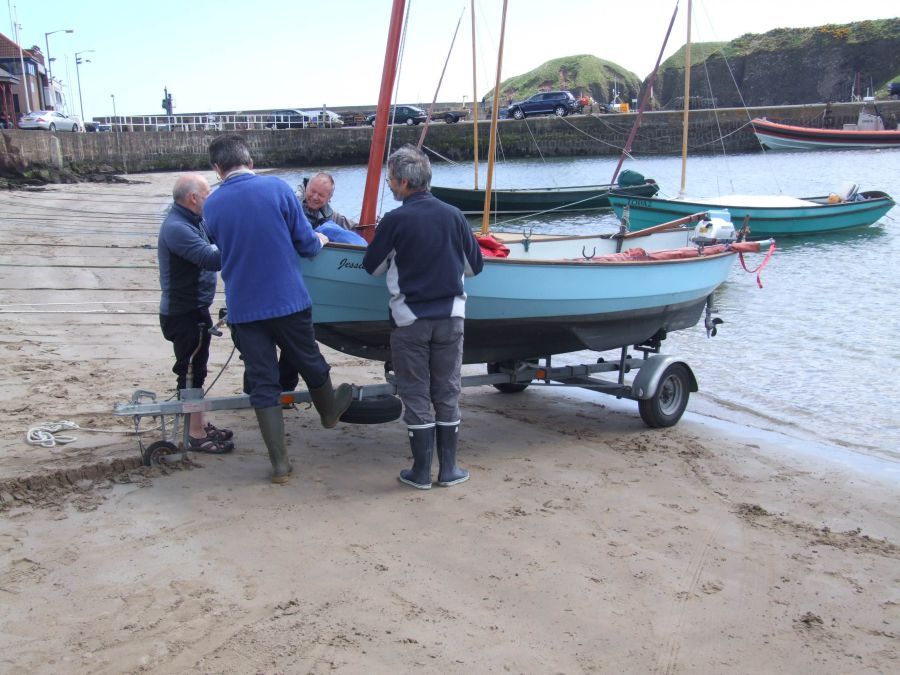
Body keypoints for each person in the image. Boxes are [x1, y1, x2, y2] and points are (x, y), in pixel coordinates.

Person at [203, 134, 352, 484]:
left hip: (244, 305)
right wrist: (322, 239)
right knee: (309, 358)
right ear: (250, 161)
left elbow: (220, 246)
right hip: (287, 299)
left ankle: (280, 463)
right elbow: (306, 244)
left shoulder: (211, 205)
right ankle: (329, 411)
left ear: (218, 168)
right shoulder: (278, 189)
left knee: (262, 380)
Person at [362, 145, 484, 490]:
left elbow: (373, 267)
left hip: (410, 320)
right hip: (451, 318)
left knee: (416, 392)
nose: (389, 184)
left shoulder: (395, 220)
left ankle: (420, 473)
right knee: (447, 389)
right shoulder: (454, 215)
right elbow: (474, 267)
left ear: (404, 182)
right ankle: (449, 469)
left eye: (390, 179)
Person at [157, 173, 233, 454]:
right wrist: (245, 244)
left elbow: (216, 234)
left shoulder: (195, 220)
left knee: (197, 368)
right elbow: (210, 258)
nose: (211, 199)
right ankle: (194, 433)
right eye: (208, 194)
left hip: (196, 309)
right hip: (183, 313)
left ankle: (197, 422)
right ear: (193, 198)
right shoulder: (177, 227)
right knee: (190, 372)